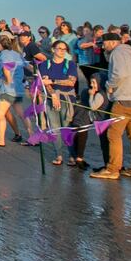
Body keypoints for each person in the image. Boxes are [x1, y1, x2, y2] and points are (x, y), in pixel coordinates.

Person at [91, 29, 131, 180]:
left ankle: (113, 169)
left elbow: (119, 74)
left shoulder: (117, 53)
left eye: (105, 44)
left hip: (124, 99)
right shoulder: (130, 53)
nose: (103, 47)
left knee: (113, 134)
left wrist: (109, 84)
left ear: (113, 42)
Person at [41, 38, 78, 166]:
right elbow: (45, 82)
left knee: (66, 127)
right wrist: (53, 94)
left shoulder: (70, 64)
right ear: (53, 49)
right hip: (52, 98)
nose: (62, 51)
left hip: (67, 99)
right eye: (59, 48)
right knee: (55, 127)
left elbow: (71, 81)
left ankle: (72, 155)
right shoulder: (45, 64)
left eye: (64, 49)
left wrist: (53, 81)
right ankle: (59, 154)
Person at [0, 33, 26, 145]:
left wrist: (8, 79)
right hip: (18, 88)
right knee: (22, 114)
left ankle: (1, 140)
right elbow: (28, 65)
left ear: (0, 44)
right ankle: (33, 137)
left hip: (8, 89)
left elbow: (6, 68)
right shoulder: (16, 53)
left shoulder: (3, 54)